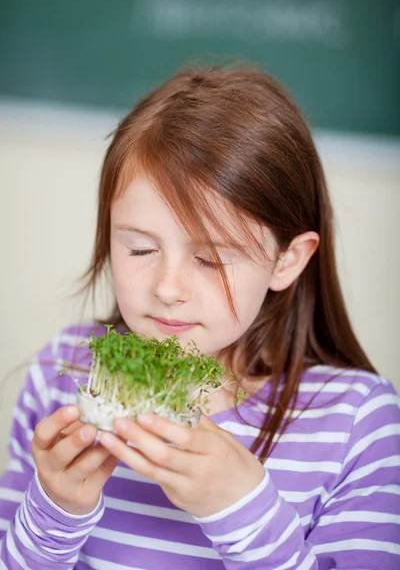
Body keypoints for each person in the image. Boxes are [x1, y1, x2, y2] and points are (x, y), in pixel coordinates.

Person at [0, 64, 399, 570]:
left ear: (288, 260)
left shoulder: (357, 421)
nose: (168, 288)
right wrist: (53, 515)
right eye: (141, 249)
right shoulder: (62, 375)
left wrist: (243, 509)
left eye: (210, 258)